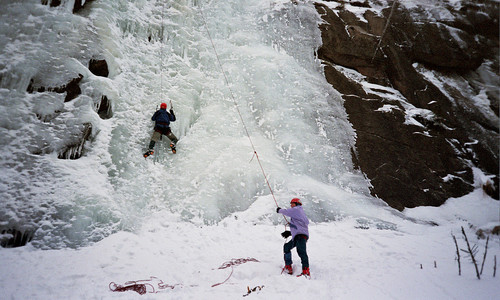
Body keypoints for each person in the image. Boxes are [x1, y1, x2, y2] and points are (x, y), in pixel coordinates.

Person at [276, 198, 310, 277]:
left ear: (297, 204)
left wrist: (279, 210)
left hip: (300, 236)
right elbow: (299, 227)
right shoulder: (299, 213)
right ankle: (288, 266)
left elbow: (286, 212)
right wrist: (290, 233)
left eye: (292, 203)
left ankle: (306, 271)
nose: (291, 205)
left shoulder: (297, 210)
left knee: (301, 251)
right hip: (299, 236)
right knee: (287, 247)